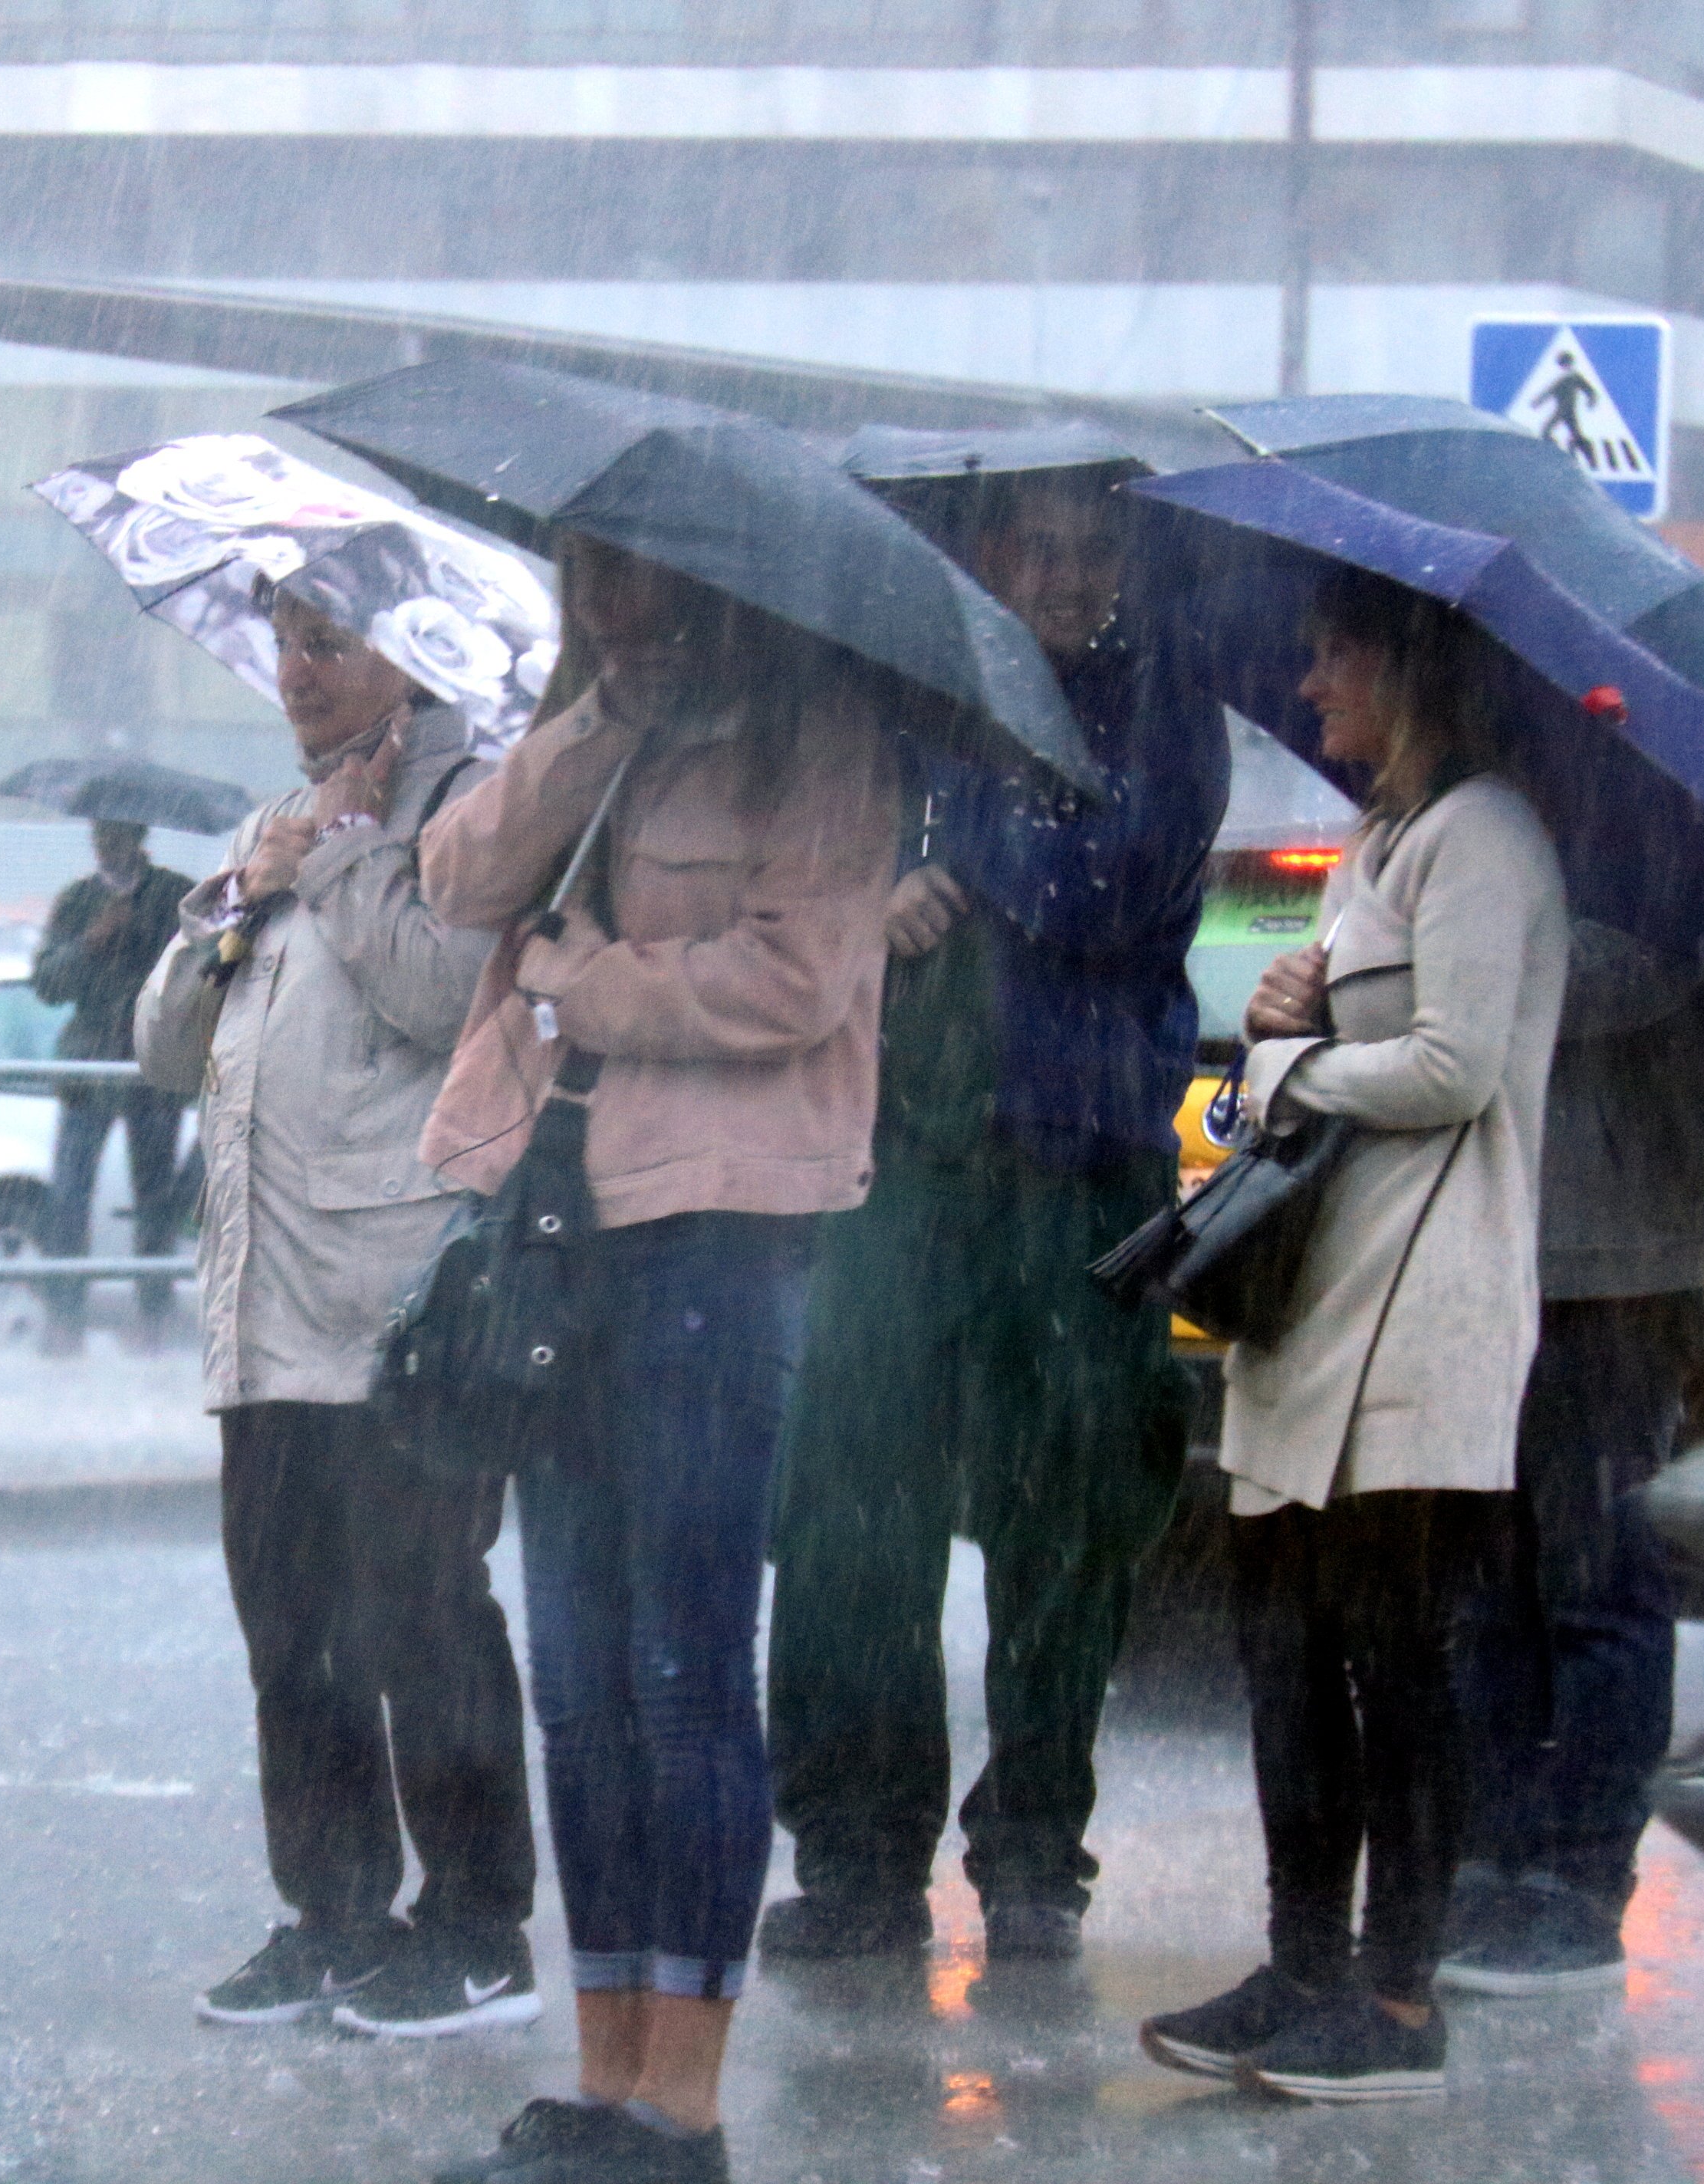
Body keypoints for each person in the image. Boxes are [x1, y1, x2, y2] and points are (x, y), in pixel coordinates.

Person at [416, 537, 900, 2184]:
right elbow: (461, 876)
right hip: (562, 1227)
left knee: (687, 1670)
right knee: (578, 1676)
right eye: (586, 567)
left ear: (715, 570)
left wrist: (590, 988)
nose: (609, 593)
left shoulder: (817, 732)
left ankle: (679, 2102)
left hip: (722, 1224)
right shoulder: (597, 719)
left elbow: (800, 973)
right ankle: (604, 2066)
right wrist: (596, 720)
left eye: (639, 570)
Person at [761, 462, 1226, 1972]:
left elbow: (1116, 878)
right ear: (981, 556)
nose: (1076, 574)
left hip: (1081, 1165)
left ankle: (1033, 1854)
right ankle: (853, 1854)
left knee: (1067, 1524)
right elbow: (801, 884)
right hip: (890, 1160)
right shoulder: (883, 690)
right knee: (851, 1522)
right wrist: (875, 890)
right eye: (1043, 544)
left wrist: (965, 832)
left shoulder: (1163, 702)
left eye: (1100, 548)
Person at [1139, 568, 1566, 2102]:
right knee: (1289, 1659)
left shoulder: (1487, 835)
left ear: (1412, 665)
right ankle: (1300, 1959)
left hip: (1427, 1303)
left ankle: (1395, 2000)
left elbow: (1453, 1066)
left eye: (1336, 656)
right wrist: (1282, 1021)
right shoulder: (1379, 840)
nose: (1312, 682)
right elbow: (1335, 1050)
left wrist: (1303, 1064)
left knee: (1395, 1658)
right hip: (1317, 1302)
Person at [134, 584, 538, 2039]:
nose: (297, 672)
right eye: (284, 642)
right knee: (289, 1628)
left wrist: (351, 859)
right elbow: (166, 1047)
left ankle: (480, 1925)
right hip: (262, 1304)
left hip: (396, 1303)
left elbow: (449, 994)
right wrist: (251, 890)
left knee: (421, 1614)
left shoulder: (467, 807)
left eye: (328, 642)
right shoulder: (275, 821)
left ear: (405, 655)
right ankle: (333, 1912)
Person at [1439, 938, 1704, 1992]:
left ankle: (1577, 1883)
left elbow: (1649, 968)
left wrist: (1475, 952)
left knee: (1595, 1575)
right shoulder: (1546, 788)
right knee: (1490, 1579)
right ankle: (1488, 1859)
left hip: (1622, 1241)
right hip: (1507, 1226)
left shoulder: (1666, 820)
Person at [31, 817, 193, 1354]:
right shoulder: (78, 900)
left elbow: (206, 970)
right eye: (99, 835)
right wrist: (89, 945)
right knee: (70, 1196)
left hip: (150, 1068)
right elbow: (48, 984)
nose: (105, 845)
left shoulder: (175, 896)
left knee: (155, 1200)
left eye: (116, 835)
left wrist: (152, 942)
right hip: (89, 1071)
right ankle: (64, 1316)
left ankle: (152, 1314)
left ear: (139, 836)